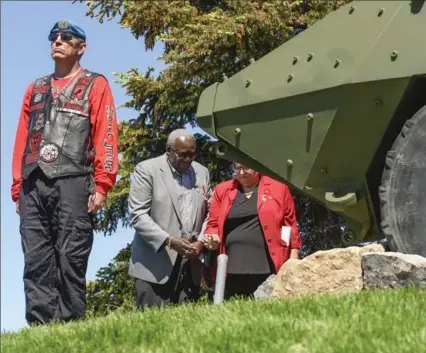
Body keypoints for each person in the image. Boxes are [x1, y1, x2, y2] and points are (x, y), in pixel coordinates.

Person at [11, 19, 119, 326]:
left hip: (73, 180)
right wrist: (18, 186)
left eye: (66, 38)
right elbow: (22, 138)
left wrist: (102, 184)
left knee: (71, 256)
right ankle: (41, 329)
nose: (57, 41)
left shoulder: (95, 84)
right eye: (53, 37)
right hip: (33, 182)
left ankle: (70, 325)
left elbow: (106, 135)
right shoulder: (35, 88)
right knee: (35, 259)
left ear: (81, 48)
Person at [128, 129, 212, 309]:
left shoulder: (202, 172)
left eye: (192, 154)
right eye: (183, 155)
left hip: (191, 262)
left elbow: (210, 212)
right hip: (155, 264)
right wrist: (169, 241)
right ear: (169, 151)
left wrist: (201, 242)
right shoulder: (147, 170)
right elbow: (138, 215)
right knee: (150, 329)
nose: (189, 159)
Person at [202, 162, 302, 300]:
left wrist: (293, 255)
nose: (242, 173)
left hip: (267, 264)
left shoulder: (279, 188)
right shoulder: (223, 190)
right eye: (237, 168)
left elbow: (289, 225)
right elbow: (213, 223)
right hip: (231, 266)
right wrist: (213, 237)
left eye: (246, 168)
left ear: (256, 167)